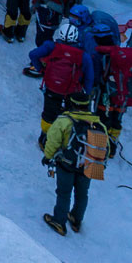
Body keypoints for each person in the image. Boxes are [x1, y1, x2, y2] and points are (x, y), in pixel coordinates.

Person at [29, 5, 103, 144]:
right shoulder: (83, 55)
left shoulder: (51, 46)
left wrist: (41, 70)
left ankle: (45, 139)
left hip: (51, 87)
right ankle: (64, 140)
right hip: (72, 90)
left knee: (49, 114)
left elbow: (33, 55)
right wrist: (86, 93)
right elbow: (89, 77)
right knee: (69, 116)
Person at [42, 99, 110, 235]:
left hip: (66, 164)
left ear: (72, 104)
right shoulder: (98, 124)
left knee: (64, 193)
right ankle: (76, 219)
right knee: (82, 194)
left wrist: (48, 156)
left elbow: (53, 140)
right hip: (87, 165)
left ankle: (59, 221)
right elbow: (105, 147)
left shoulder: (64, 121)